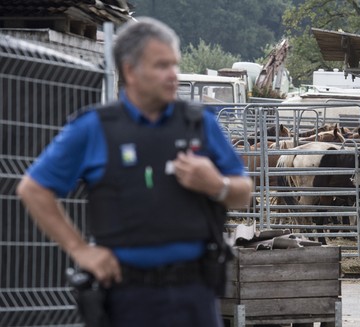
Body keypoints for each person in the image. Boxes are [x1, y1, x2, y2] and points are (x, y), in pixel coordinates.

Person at [16, 17, 252, 327]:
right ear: (130, 70)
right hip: (126, 297)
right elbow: (33, 189)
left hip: (194, 293)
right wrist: (80, 251)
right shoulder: (94, 128)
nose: (173, 75)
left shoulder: (199, 123)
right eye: (162, 66)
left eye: (175, 64)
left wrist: (216, 184)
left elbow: (243, 193)